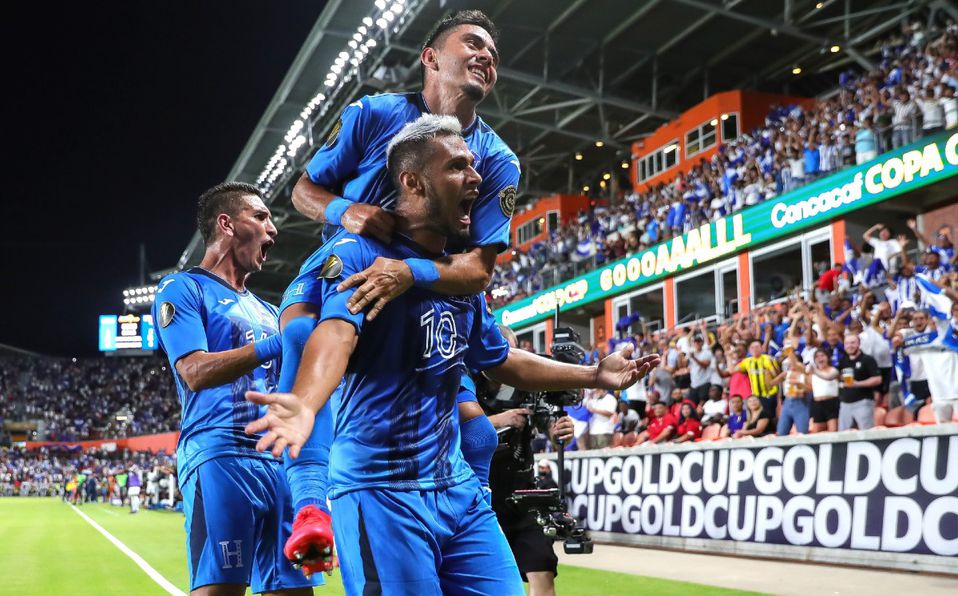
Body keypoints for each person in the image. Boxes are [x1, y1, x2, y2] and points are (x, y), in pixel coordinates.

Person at [244, 116, 658, 596]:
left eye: (475, 166)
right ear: (413, 181)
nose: (477, 179)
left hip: (459, 494)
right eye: (458, 167)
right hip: (383, 494)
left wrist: (593, 375)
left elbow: (502, 359)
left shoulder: (458, 278)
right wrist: (308, 401)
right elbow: (335, 334)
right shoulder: (359, 254)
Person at [276, 11, 519, 566]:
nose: (487, 56)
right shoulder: (374, 113)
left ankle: (469, 497)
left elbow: (479, 268)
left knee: (471, 420)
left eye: (494, 52)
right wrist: (349, 211)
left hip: (429, 298)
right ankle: (312, 508)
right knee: (302, 340)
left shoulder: (497, 160)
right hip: (349, 273)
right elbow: (304, 189)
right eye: (473, 44)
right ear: (430, 57)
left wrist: (410, 274)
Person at [153, 182, 317, 595]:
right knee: (221, 589)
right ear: (226, 224)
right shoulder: (183, 289)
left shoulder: (270, 310)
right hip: (220, 454)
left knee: (295, 591)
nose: (273, 229)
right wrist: (274, 343)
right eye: (261, 217)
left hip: (278, 462)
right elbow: (193, 370)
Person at [837, 333, 881, 431]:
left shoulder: (867, 359)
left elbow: (877, 379)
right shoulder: (843, 361)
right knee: (843, 434)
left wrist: (857, 384)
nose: (850, 346)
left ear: (859, 344)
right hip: (845, 403)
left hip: (863, 402)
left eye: (853, 343)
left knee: (866, 432)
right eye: (847, 343)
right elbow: (836, 375)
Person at [808, 348, 840, 433]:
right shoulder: (812, 374)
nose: (820, 358)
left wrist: (814, 371)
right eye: (817, 357)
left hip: (832, 403)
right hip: (817, 404)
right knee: (816, 433)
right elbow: (809, 387)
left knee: (833, 431)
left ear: (828, 358)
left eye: (822, 356)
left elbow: (828, 377)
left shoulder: (833, 370)